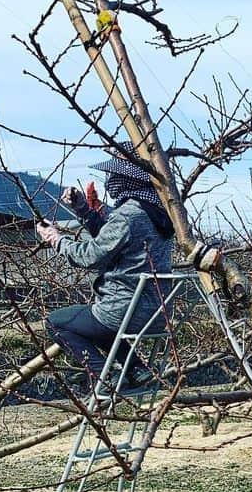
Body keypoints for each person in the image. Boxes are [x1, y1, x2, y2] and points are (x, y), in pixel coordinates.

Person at [35, 154, 174, 391]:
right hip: (157, 313)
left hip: (125, 310)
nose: (109, 181)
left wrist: (56, 240)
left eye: (113, 176)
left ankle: (104, 376)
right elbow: (111, 241)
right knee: (99, 322)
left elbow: (91, 255)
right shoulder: (159, 213)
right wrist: (84, 210)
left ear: (125, 179)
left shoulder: (129, 215)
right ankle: (135, 369)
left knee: (56, 322)